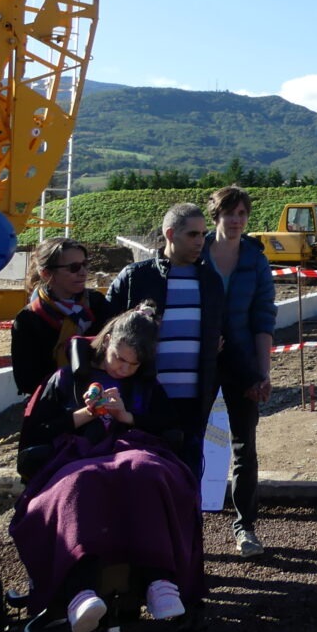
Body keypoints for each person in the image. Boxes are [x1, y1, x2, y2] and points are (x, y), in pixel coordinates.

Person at [11, 305, 202, 632]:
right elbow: (37, 430)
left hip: (134, 450)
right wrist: (85, 414)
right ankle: (79, 590)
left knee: (145, 471)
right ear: (108, 339)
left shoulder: (145, 387)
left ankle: (159, 580)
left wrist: (128, 418)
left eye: (133, 364)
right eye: (119, 358)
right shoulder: (65, 379)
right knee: (84, 481)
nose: (123, 369)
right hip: (76, 455)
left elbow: (170, 428)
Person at [106, 203, 225, 479]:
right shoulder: (136, 277)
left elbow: (223, 330)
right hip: (142, 401)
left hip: (194, 403)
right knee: (140, 475)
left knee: (187, 477)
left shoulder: (210, 280)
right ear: (171, 234)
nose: (200, 242)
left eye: (203, 235)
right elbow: (105, 331)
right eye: (193, 235)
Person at [202, 185, 277, 559]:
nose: (236, 220)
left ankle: (245, 527)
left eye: (242, 214)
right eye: (230, 213)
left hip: (243, 362)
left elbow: (264, 316)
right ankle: (182, 525)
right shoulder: (194, 254)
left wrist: (262, 371)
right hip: (198, 362)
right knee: (185, 442)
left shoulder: (255, 259)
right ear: (216, 215)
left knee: (245, 447)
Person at [11, 238, 109, 397]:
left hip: (102, 396)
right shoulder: (29, 319)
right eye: (74, 267)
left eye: (85, 264)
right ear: (46, 273)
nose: (83, 272)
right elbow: (26, 381)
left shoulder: (98, 304)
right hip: (53, 405)